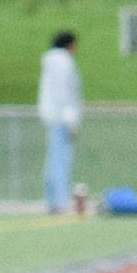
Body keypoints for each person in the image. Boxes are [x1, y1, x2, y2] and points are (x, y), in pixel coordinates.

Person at [37, 30, 82, 213]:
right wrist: (71, 120)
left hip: (51, 115)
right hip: (62, 117)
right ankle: (60, 200)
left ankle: (52, 199)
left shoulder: (49, 62)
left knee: (53, 160)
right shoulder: (64, 63)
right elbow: (66, 93)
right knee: (61, 161)